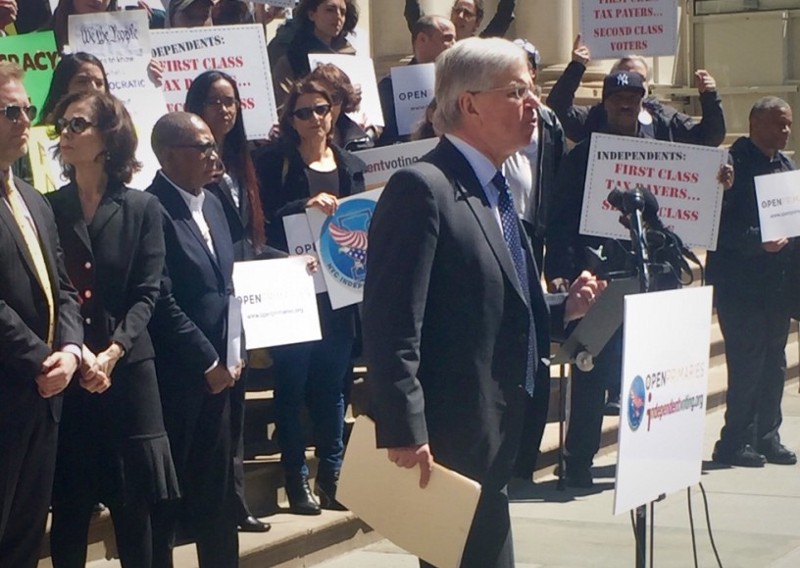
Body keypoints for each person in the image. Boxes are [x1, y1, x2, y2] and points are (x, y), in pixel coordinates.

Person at [363, 38, 602, 568]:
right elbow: (390, 322)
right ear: (468, 104)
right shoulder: (422, 188)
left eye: (533, 90)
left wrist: (562, 310)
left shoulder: (497, 188)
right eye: (517, 91)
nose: (534, 103)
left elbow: (493, 294)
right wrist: (405, 429)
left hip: (497, 433)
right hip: (450, 440)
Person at [546, 70, 732, 487]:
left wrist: (720, 185)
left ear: (644, 101)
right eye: (617, 97)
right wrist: (559, 272)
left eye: (633, 97)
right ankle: (577, 463)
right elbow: (558, 221)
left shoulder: (665, 153)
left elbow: (690, 203)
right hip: (599, 280)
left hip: (651, 279)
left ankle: (648, 460)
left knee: (649, 373)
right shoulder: (583, 156)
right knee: (591, 370)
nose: (625, 104)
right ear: (605, 103)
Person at [46, 91, 180, 568]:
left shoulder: (141, 208)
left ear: (107, 137)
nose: (64, 133)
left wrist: (113, 350)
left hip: (128, 377)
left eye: (76, 124)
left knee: (133, 509)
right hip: (70, 373)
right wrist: (77, 351)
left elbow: (148, 293)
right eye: (61, 125)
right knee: (70, 507)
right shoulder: (48, 207)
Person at [254, 77, 365, 515]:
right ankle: (296, 478)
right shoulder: (273, 162)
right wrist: (303, 205)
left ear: (333, 111)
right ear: (291, 119)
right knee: (291, 383)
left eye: (321, 109)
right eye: (304, 112)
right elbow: (259, 223)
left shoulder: (351, 163)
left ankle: (332, 475)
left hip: (338, 290)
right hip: (292, 286)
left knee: (333, 386)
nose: (315, 119)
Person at [147, 112, 242, 567]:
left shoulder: (217, 203)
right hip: (179, 378)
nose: (212, 155)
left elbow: (230, 281)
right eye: (201, 147)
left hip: (224, 374)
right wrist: (208, 362)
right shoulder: (151, 209)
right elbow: (161, 301)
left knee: (217, 494)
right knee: (167, 498)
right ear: (168, 156)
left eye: (212, 145)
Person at [0, 61, 83, 568]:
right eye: (10, 111)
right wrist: (40, 359)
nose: (23, 121)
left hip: (43, 399)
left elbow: (65, 287)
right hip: (12, 387)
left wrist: (70, 352)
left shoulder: (34, 199)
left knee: (25, 541)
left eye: (27, 110)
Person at [184, 69, 271, 533]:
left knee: (235, 414)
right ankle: (205, 508)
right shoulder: (190, 172)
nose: (226, 109)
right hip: (206, 315)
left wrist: (295, 262)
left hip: (242, 305)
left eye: (232, 101)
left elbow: (248, 242)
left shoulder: (242, 161)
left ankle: (233, 503)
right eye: (216, 101)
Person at [707, 96, 797, 468]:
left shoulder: (785, 166)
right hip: (739, 285)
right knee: (746, 363)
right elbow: (715, 226)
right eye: (779, 123)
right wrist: (755, 241)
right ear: (755, 122)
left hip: (775, 286)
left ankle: (767, 435)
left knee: (774, 361)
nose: (786, 130)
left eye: (789, 123)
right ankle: (734, 440)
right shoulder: (729, 165)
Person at [505, 39, 568, 490]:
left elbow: (563, 189)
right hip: (495, 232)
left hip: (533, 236)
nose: (524, 99)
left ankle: (524, 456)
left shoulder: (549, 125)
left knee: (534, 348)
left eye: (528, 82)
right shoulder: (477, 131)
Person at [547, 34, 726, 147]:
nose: (626, 97)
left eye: (638, 80)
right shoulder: (594, 116)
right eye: (622, 78)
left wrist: (709, 97)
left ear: (646, 86)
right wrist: (576, 67)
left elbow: (709, 137)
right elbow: (558, 110)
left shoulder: (665, 119)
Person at [376, 14, 455, 147]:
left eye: (455, 39)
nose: (454, 45)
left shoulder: (457, 82)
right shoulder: (390, 86)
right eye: (447, 38)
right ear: (422, 39)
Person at [271, 0, 360, 109]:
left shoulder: (350, 56)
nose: (338, 16)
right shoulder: (292, 59)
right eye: (330, 10)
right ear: (311, 14)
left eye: (343, 12)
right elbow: (285, 109)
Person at [308, 63, 376, 150]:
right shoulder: (295, 144)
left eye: (334, 98)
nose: (329, 105)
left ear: (343, 101)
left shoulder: (361, 142)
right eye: (322, 97)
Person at [38, 52, 109, 125]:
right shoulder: (41, 133)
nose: (93, 88)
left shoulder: (115, 129)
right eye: (82, 82)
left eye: (99, 83)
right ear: (62, 86)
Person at [404, 0, 515, 41]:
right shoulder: (435, 45)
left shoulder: (480, 49)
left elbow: (503, 17)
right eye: (457, 11)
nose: (460, 16)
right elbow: (416, 19)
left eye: (467, 13)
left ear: (477, 22)